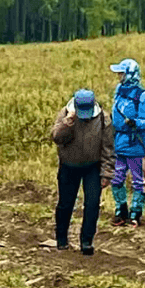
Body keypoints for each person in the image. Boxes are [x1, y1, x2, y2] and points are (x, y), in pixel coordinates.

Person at [51, 89, 115, 256]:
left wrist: (107, 173)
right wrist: (67, 123)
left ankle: (87, 242)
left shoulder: (103, 118)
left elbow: (109, 147)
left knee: (92, 205)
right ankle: (61, 239)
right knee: (65, 204)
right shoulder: (65, 113)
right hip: (68, 166)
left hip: (92, 167)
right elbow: (56, 138)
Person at [109, 58, 145, 227]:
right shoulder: (119, 91)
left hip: (137, 145)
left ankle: (136, 212)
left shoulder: (142, 96)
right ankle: (120, 210)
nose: (119, 76)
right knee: (116, 178)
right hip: (119, 143)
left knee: (138, 180)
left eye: (121, 73)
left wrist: (136, 122)